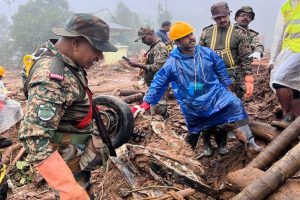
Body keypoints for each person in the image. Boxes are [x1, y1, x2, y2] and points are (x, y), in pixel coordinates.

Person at [18, 13, 118, 199]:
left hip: (75, 158)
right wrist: (68, 189)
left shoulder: (67, 61)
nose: (100, 57)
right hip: (65, 164)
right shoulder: (52, 77)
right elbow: (34, 137)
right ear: (76, 43)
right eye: (97, 49)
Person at [132, 21, 262, 156]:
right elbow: (159, 82)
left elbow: (221, 72)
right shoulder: (173, 63)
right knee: (195, 129)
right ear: (177, 42)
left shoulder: (207, 53)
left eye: (191, 34)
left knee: (235, 104)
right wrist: (146, 103)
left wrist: (229, 91)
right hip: (193, 102)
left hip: (215, 95)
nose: (192, 38)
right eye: (186, 36)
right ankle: (186, 155)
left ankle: (250, 143)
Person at [199, 2, 253, 101]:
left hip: (234, 75)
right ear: (213, 18)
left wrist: (248, 77)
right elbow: (199, 56)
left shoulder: (239, 32)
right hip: (212, 75)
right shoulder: (206, 33)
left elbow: (246, 57)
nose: (222, 20)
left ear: (229, 14)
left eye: (224, 16)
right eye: (218, 18)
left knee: (237, 104)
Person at [269, 0, 300, 128]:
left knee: (279, 79)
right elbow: (279, 35)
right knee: (296, 86)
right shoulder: (287, 6)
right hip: (289, 50)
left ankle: (288, 115)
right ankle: (296, 121)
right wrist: (273, 59)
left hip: (297, 51)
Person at [127, 27, 169, 116]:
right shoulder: (154, 47)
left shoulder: (160, 47)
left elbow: (159, 67)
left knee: (159, 110)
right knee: (153, 108)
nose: (142, 41)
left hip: (159, 85)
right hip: (154, 85)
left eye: (143, 38)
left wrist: (137, 65)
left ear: (149, 35)